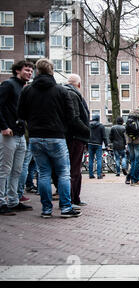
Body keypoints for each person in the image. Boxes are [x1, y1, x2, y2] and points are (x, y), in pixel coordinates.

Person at [17, 58, 80, 218]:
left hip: (36, 137)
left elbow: (21, 114)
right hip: (56, 136)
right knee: (63, 173)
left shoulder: (27, 91)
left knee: (43, 173)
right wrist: (61, 127)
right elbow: (71, 116)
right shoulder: (61, 91)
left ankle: (46, 209)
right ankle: (66, 207)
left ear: (37, 71)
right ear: (52, 70)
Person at [0, 60, 34, 215]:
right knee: (4, 169)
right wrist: (3, 127)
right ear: (17, 71)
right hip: (9, 133)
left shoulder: (23, 87)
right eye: (27, 70)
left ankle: (13, 200)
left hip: (20, 134)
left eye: (31, 71)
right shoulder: (8, 85)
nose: (30, 73)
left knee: (18, 170)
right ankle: (1, 202)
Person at [64, 74, 90, 208]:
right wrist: (86, 130)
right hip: (75, 137)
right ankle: (72, 199)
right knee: (74, 169)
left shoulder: (64, 92)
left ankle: (73, 198)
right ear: (79, 85)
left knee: (72, 169)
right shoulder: (72, 94)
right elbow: (75, 117)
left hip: (71, 136)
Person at [125, 105, 139, 185]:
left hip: (130, 140)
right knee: (138, 161)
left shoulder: (130, 113)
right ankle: (136, 180)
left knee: (133, 160)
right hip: (138, 140)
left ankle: (131, 179)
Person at [88, 115, 107, 179]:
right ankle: (99, 175)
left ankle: (91, 174)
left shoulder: (89, 125)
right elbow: (104, 136)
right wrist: (106, 145)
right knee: (99, 159)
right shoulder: (101, 126)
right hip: (98, 144)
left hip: (90, 143)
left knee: (91, 159)